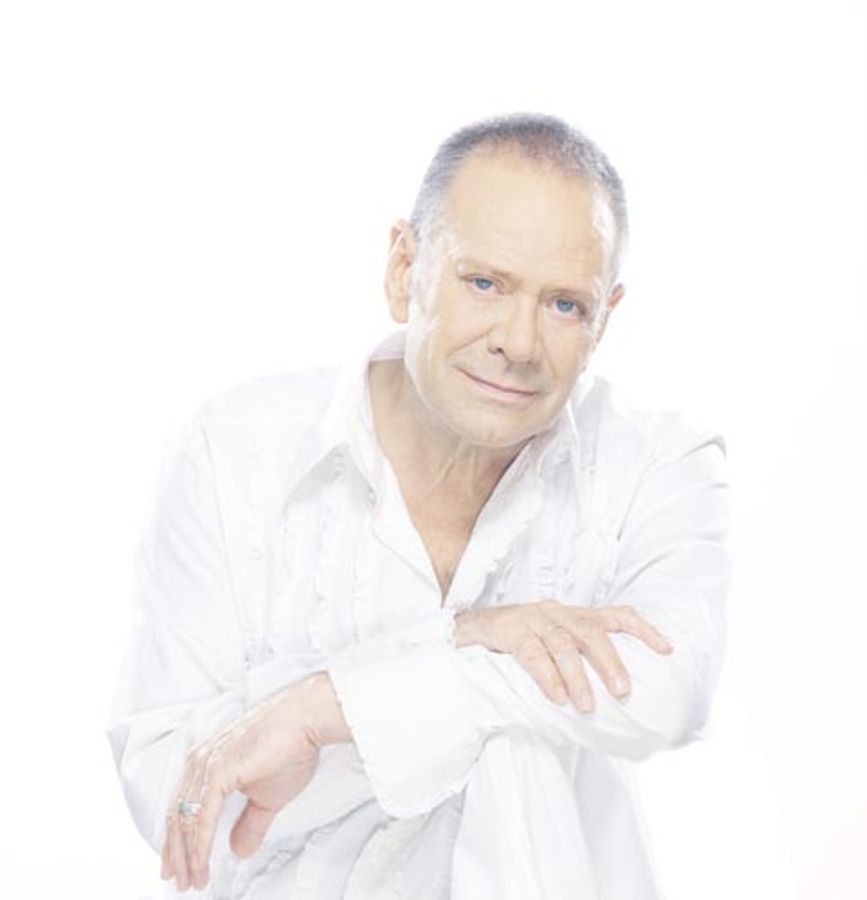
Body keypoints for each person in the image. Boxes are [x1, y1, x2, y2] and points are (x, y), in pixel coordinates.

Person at [107, 112, 732, 899]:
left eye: (565, 305)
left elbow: (668, 688)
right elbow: (175, 789)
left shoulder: (660, 466)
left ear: (606, 316)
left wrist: (324, 710)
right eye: (485, 283)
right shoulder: (232, 451)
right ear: (405, 267)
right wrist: (468, 638)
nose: (519, 342)